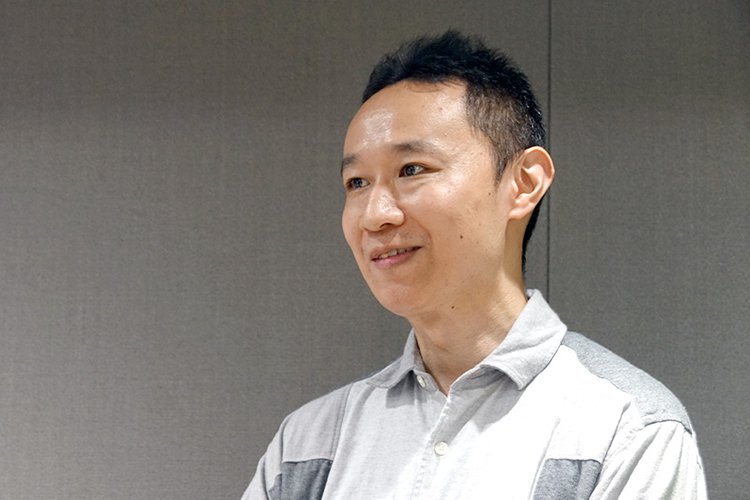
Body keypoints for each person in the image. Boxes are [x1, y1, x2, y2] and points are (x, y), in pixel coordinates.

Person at [242, 31, 707, 499]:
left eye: (412, 169)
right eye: (357, 182)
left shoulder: (628, 429)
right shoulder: (306, 445)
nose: (374, 215)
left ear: (523, 182)